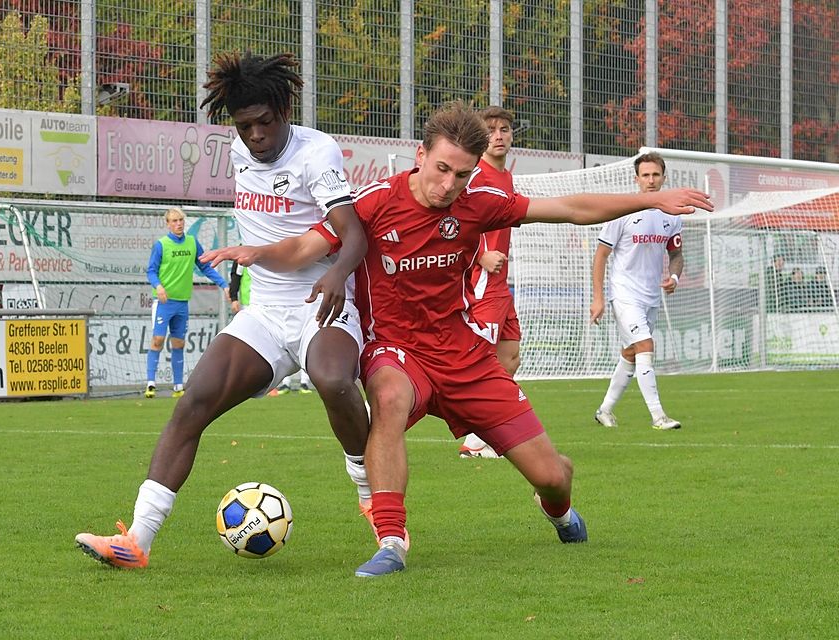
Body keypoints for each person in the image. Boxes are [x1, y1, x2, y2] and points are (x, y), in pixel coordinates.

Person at [207, 102, 712, 577]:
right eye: (442, 169)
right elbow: (304, 246)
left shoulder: (480, 203)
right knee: (387, 398)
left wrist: (651, 200)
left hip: (464, 356)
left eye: (463, 174)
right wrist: (256, 253)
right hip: (396, 348)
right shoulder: (375, 202)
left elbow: (572, 208)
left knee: (552, 475)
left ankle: (557, 510)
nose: (449, 184)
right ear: (421, 156)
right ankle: (391, 540)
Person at [75, 52, 371, 569]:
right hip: (264, 310)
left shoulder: (315, 152)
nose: (256, 135)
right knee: (194, 402)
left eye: (265, 122)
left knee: (333, 381)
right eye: (245, 125)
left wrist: (335, 275)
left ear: (283, 110)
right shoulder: (237, 149)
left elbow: (354, 235)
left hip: (319, 301)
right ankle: (137, 541)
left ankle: (371, 491)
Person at [590, 152, 685, 431]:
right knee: (645, 346)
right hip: (625, 294)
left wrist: (675, 277)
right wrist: (598, 298)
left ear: (664, 178)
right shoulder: (622, 212)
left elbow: (677, 253)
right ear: (637, 179)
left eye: (656, 175)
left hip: (651, 297)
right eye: (646, 175)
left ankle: (604, 409)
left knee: (631, 353)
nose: (651, 180)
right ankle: (658, 416)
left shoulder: (671, 215)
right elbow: (600, 256)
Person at [458, 106, 522, 459]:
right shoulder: (474, 175)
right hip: (482, 283)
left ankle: (477, 438)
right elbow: (458, 221)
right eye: (492, 129)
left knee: (509, 357)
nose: (499, 135)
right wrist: (480, 255)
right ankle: (478, 439)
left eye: (505, 129)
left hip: (501, 284)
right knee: (481, 363)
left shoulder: (506, 178)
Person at [143, 207, 230, 399]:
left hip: (182, 302)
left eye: (180, 220)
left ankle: (177, 386)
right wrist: (158, 286)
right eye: (174, 221)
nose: (178, 224)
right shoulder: (161, 245)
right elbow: (151, 270)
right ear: (167, 224)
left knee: (179, 343)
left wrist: (224, 284)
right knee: (158, 340)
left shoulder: (192, 242)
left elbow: (205, 266)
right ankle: (150, 384)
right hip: (164, 302)